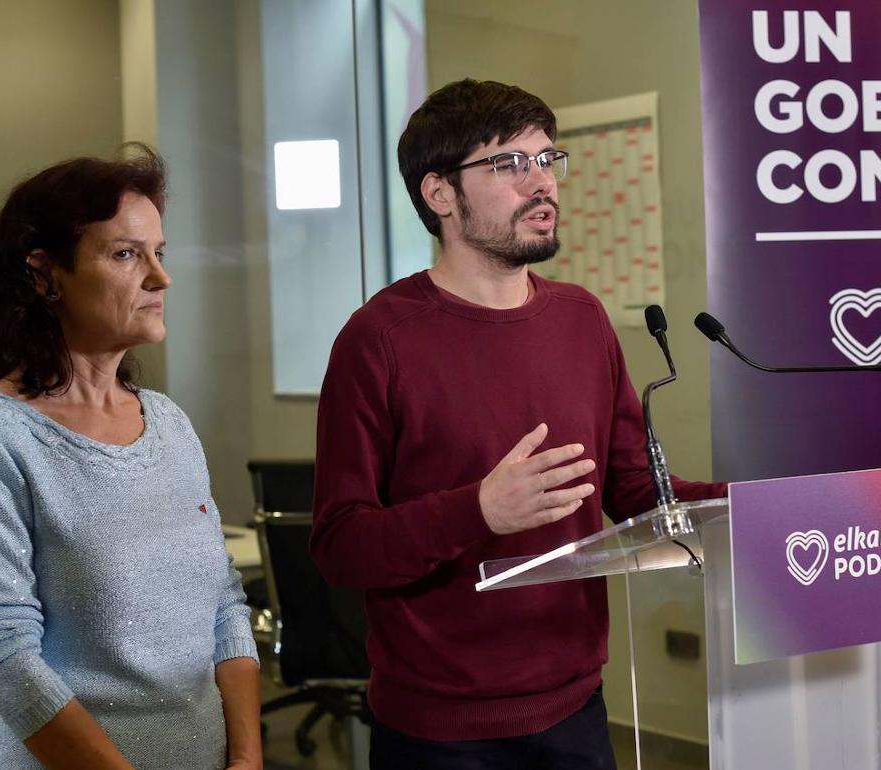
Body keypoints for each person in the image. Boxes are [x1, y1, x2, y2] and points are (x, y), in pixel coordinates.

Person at [310, 79, 727, 768]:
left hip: (578, 710)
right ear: (439, 194)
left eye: (547, 160)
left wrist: (748, 509)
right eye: (510, 165)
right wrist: (478, 510)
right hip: (438, 731)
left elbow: (629, 490)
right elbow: (340, 545)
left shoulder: (582, 319)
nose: (543, 184)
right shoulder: (377, 340)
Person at [0, 146, 261, 770]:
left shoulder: (170, 425)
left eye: (160, 252)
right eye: (126, 254)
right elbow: (4, 656)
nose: (160, 278)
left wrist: (246, 757)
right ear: (45, 274)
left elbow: (226, 608)